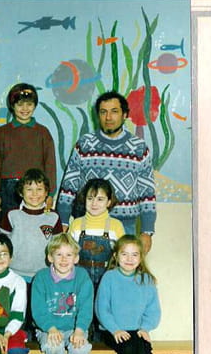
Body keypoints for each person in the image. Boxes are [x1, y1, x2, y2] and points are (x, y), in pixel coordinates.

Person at [56, 90, 156, 253]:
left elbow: (147, 192)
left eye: (114, 111)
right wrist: (63, 221)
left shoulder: (139, 148)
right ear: (98, 115)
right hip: (87, 223)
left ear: (125, 115)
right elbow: (69, 186)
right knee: (84, 267)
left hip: (125, 225)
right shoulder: (84, 144)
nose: (108, 117)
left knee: (123, 267)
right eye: (103, 112)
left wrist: (147, 231)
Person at [67, 178, 126, 354]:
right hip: (80, 280)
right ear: (84, 200)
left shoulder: (116, 226)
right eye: (90, 198)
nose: (94, 203)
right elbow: (69, 253)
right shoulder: (76, 224)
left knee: (102, 321)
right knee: (81, 320)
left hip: (106, 280)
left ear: (109, 202)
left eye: (100, 199)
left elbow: (121, 256)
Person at [96, 235, 161, 354]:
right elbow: (102, 308)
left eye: (134, 254)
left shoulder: (146, 280)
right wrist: (114, 329)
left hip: (137, 330)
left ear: (141, 257)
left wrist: (145, 328)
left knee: (144, 349)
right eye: (124, 254)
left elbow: (153, 309)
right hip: (112, 330)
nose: (129, 259)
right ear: (116, 256)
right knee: (128, 348)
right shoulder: (109, 277)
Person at [31, 233, 94, 354]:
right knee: (53, 346)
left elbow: (86, 307)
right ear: (50, 257)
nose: (64, 259)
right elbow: (38, 309)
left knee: (81, 348)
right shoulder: (41, 278)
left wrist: (79, 330)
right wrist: (50, 328)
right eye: (59, 254)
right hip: (49, 328)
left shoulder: (82, 277)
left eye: (68, 255)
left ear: (76, 258)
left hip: (75, 328)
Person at [0, 83, 57, 225]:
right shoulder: (2, 133)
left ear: (35, 106)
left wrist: (50, 194)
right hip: (8, 189)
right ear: (12, 106)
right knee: (7, 227)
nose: (25, 109)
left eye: (29, 104)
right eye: (20, 104)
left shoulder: (43, 133)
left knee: (33, 226)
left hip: (35, 189)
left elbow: (50, 165)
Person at [0, 168, 62, 282]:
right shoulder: (11, 215)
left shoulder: (53, 217)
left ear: (46, 192)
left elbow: (59, 247)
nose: (34, 194)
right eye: (29, 189)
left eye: (39, 189)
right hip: (14, 274)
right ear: (21, 192)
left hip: (45, 275)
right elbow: (0, 244)